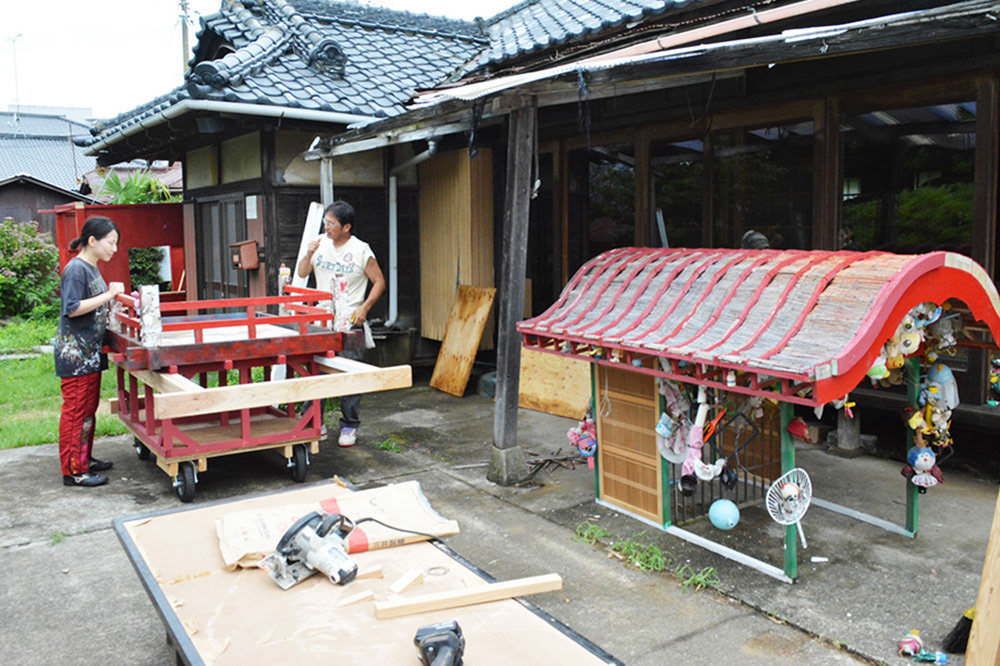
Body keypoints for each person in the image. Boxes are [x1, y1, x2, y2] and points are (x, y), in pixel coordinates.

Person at [297, 200, 385, 447]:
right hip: (322, 321)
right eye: (325, 222)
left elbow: (379, 282)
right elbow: (302, 273)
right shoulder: (320, 243)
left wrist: (364, 308)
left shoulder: (361, 250)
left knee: (350, 375)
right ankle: (315, 422)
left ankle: (349, 425)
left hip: (349, 322)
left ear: (346, 227)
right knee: (316, 372)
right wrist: (309, 253)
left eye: (331, 224)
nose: (326, 227)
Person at [55, 216, 125, 487]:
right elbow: (72, 308)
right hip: (76, 356)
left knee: (87, 410)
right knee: (76, 412)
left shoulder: (91, 267)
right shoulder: (76, 269)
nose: (114, 249)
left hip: (91, 353)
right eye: (111, 243)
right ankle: (74, 471)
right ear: (92, 241)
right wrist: (109, 295)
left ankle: (84, 457)